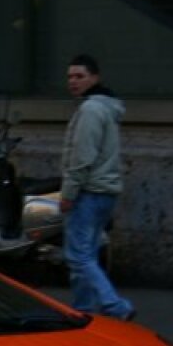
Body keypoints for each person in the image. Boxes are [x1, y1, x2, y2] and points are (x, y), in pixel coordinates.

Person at [59, 54, 136, 321]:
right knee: (86, 256)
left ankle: (115, 306)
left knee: (79, 257)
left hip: (88, 192)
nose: (73, 81)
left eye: (80, 76)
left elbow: (82, 157)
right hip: (104, 192)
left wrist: (68, 194)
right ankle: (84, 309)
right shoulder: (105, 108)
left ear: (95, 78)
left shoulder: (91, 110)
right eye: (70, 76)